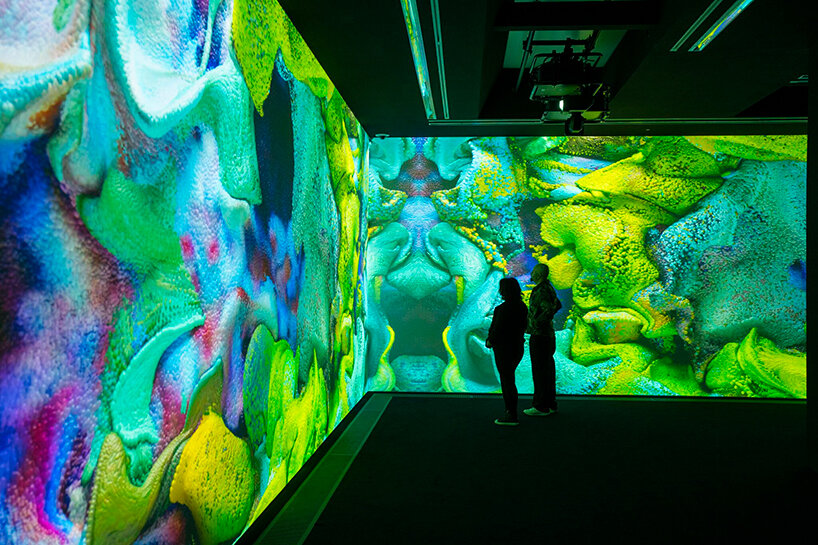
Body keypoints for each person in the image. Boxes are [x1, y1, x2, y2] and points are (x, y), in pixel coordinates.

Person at [486, 277, 529, 426]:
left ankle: (511, 414)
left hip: (504, 349)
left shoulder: (501, 309)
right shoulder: (522, 306)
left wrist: (489, 341)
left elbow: (496, 330)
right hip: (517, 348)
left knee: (507, 381)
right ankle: (511, 412)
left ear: (503, 290)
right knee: (510, 379)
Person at [524, 263, 562, 416]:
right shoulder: (549, 288)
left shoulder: (541, 290)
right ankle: (550, 404)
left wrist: (536, 324)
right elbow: (558, 305)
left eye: (534, 271)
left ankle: (540, 406)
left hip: (540, 335)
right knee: (547, 370)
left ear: (538, 274)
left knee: (539, 371)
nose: (531, 273)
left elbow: (547, 310)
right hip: (548, 335)